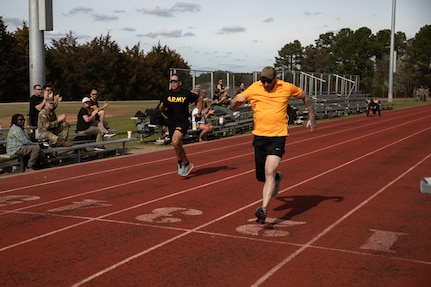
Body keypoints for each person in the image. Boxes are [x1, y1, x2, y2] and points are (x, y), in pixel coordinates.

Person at [231, 66, 316, 224]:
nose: (264, 84)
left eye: (268, 81)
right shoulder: (255, 87)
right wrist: (236, 102)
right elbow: (232, 105)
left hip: (278, 136)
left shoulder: (286, 87)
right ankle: (277, 178)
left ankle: (263, 209)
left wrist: (311, 117)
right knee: (261, 176)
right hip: (259, 136)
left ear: (275, 79)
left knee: (269, 170)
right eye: (262, 80)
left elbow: (305, 96)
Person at [159, 73, 203, 176]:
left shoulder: (186, 94)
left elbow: (199, 99)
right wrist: (161, 110)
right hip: (171, 123)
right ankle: (187, 163)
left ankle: (180, 163)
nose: (172, 83)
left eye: (174, 81)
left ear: (180, 83)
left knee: (175, 141)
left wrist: (199, 111)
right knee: (177, 145)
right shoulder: (167, 94)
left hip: (182, 122)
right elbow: (161, 107)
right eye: (171, 81)